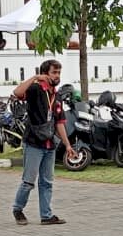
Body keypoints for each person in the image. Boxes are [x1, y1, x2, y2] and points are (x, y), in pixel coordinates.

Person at [11, 60, 76, 225]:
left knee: (47, 182)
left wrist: (68, 145)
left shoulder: (57, 94)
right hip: (33, 142)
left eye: (59, 73)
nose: (57, 76)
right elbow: (17, 92)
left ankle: (46, 216)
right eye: (54, 72)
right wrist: (34, 77)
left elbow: (60, 122)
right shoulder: (35, 89)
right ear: (45, 73)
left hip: (49, 143)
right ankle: (18, 209)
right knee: (28, 181)